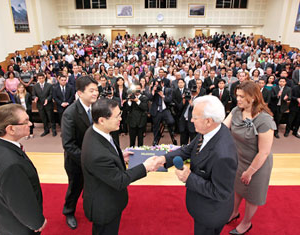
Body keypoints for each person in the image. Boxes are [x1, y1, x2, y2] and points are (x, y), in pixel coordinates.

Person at [154, 95, 238, 235]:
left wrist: (189, 178)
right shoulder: (211, 130)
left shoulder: (224, 155)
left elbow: (220, 192)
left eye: (195, 117)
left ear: (208, 121)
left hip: (210, 214)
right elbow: (188, 150)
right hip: (201, 203)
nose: (191, 120)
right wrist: (163, 159)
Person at [81, 98, 160, 235]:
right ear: (102, 120)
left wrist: (119, 157)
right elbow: (120, 180)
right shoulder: (97, 153)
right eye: (117, 116)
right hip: (104, 206)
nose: (121, 119)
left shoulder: (96, 131)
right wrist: (145, 167)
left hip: (107, 196)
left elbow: (107, 155)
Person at [0, 104, 47, 234]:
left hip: (1, 217)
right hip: (17, 226)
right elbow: (20, 200)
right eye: (26, 121)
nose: (31, 124)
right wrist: (36, 222)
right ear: (10, 129)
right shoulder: (12, 165)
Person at [223, 80, 276, 235]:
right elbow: (223, 129)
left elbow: (264, 152)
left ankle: (246, 223)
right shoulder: (236, 111)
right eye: (237, 95)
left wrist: (250, 172)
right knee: (237, 189)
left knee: (252, 196)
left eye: (241, 96)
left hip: (258, 165)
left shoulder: (264, 119)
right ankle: (233, 213)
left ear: (252, 98)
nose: (237, 99)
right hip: (239, 159)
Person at [61, 75, 99, 229]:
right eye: (91, 90)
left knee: (93, 187)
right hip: (76, 161)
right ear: (80, 93)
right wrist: (86, 159)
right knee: (75, 187)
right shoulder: (70, 113)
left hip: (95, 158)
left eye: (96, 90)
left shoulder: (97, 108)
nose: (95, 93)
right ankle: (68, 211)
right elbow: (68, 145)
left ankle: (90, 207)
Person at [32, 72, 57, 137]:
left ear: (44, 78)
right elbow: (33, 95)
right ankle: (46, 130)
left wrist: (47, 99)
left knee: (51, 118)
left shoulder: (49, 85)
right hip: (40, 105)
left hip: (48, 104)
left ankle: (54, 130)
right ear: (37, 79)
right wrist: (35, 98)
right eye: (39, 78)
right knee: (43, 118)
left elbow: (51, 95)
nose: (41, 80)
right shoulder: (35, 86)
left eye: (42, 78)